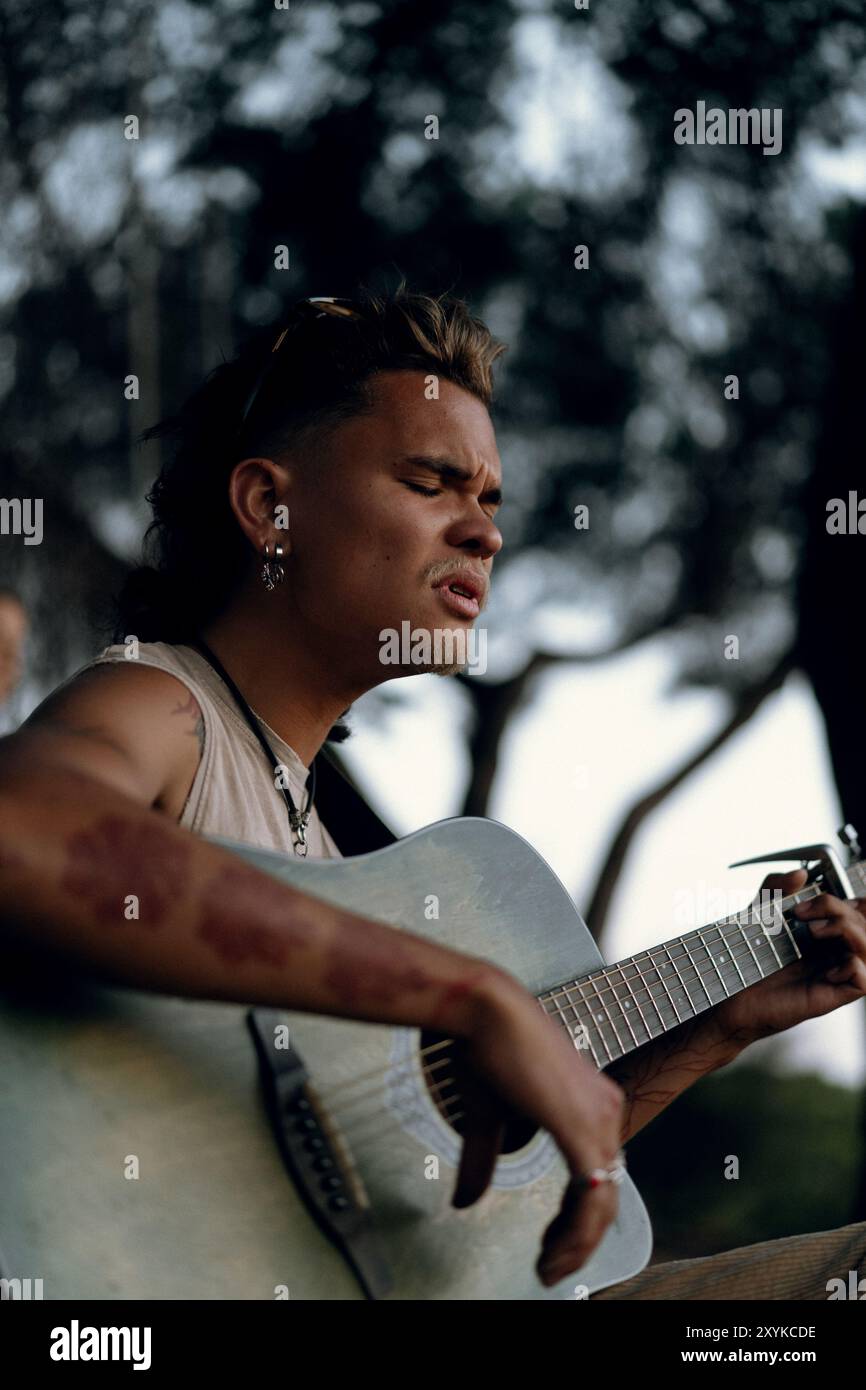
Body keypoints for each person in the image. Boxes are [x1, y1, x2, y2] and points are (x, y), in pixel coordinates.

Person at [0, 288, 864, 1299]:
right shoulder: (162, 707)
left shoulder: (331, 847)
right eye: (431, 482)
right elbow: (23, 829)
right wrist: (468, 994)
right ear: (266, 507)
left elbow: (490, 1223)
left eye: (491, 502)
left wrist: (723, 1022)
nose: (485, 535)